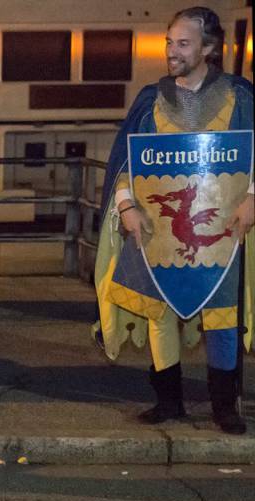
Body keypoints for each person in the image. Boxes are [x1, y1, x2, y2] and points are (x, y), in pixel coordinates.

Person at [94, 6, 254, 435]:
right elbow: (130, 161)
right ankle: (169, 401)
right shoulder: (152, 99)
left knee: (222, 314)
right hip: (157, 225)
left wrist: (253, 197)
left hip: (223, 229)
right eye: (169, 42)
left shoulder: (239, 97)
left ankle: (224, 406)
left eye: (183, 43)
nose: (172, 51)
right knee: (159, 310)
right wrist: (126, 205)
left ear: (209, 48)